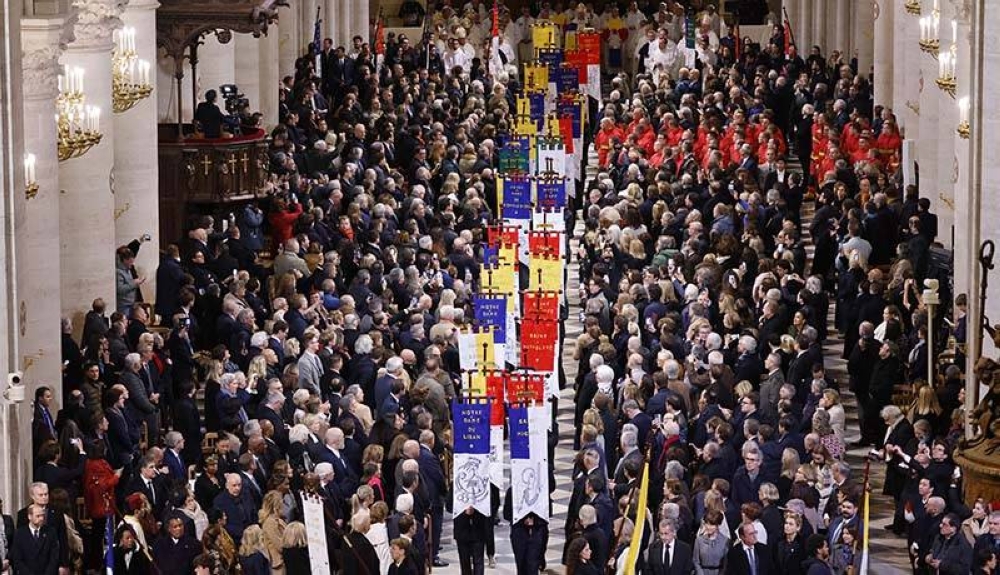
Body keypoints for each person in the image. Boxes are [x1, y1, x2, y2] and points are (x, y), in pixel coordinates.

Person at [9, 504, 59, 575]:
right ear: (29, 516)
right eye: (38, 516)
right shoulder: (19, 534)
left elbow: (54, 558)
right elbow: (17, 559)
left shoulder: (51, 532)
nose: (41, 518)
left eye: (42, 515)